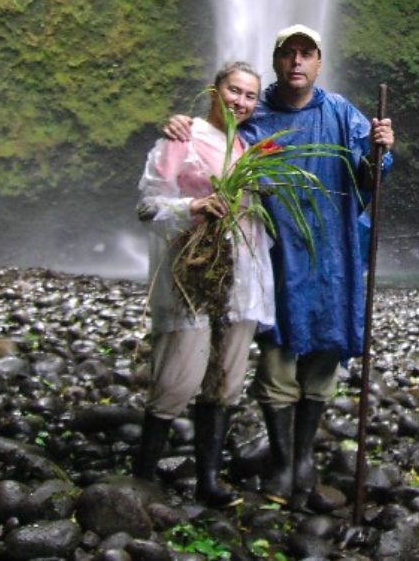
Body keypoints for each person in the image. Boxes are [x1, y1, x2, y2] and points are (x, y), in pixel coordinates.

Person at [166, 24, 394, 508]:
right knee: (276, 354)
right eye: (287, 53)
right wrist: (179, 126)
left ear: (318, 63)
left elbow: (371, 174)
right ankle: (284, 458)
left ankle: (305, 454)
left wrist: (381, 149)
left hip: (333, 250)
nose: (296, 61)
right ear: (275, 62)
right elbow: (209, 147)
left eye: (305, 53)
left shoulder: (341, 114)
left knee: (324, 348)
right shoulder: (255, 114)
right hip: (274, 253)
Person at [135, 61, 275, 507]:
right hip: (191, 270)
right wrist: (194, 206)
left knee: (227, 377)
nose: (241, 102)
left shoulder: (247, 149)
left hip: (241, 276)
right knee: (179, 373)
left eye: (250, 96)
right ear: (214, 91)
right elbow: (148, 206)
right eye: (234, 91)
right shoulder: (181, 137)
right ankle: (142, 475)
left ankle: (208, 482)